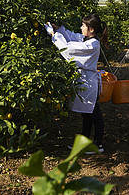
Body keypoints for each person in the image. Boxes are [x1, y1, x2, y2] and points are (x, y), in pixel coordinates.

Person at [44, 14, 108, 153]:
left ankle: (98, 144)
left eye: (83, 25)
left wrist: (54, 35)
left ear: (91, 29)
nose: (81, 27)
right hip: (83, 81)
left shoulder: (92, 44)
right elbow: (72, 37)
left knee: (94, 114)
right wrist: (59, 29)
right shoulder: (86, 39)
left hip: (88, 83)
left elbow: (68, 48)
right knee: (86, 114)